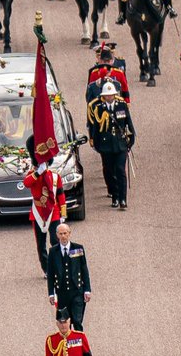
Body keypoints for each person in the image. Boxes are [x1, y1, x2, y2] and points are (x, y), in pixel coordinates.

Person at [87, 82, 134, 210]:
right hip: (106, 144)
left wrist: (131, 139)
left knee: (120, 170)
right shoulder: (99, 108)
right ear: (103, 96)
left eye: (111, 95)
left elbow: (128, 122)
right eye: (107, 95)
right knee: (109, 170)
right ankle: (114, 196)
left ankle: (123, 199)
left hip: (120, 143)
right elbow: (96, 128)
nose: (109, 97)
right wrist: (96, 144)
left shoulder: (121, 105)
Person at [24, 133, 66, 273]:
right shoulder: (33, 175)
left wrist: (63, 214)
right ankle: (47, 269)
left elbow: (60, 196)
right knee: (40, 245)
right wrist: (37, 173)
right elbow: (26, 183)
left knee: (55, 240)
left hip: (53, 212)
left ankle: (57, 265)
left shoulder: (55, 176)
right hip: (38, 212)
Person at [47, 223, 91, 330]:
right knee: (64, 323)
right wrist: (51, 293)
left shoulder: (78, 248)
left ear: (69, 234)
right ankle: (67, 346)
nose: (63, 236)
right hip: (62, 293)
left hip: (77, 292)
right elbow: (51, 274)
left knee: (77, 321)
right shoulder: (53, 251)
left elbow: (84, 269)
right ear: (57, 235)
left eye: (65, 233)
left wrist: (87, 290)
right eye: (60, 234)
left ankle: (80, 346)